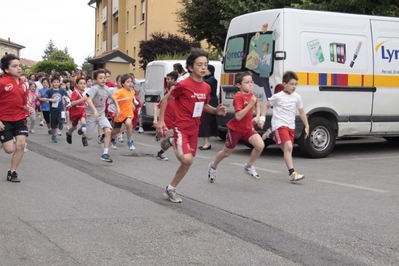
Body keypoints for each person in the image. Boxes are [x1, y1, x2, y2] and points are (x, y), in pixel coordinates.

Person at [156, 48, 227, 203]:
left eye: (205, 64)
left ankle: (171, 189)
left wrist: (216, 110)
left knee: (188, 162)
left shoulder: (207, 87)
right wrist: (161, 121)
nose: (203, 67)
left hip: (194, 129)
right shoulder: (183, 84)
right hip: (180, 127)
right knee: (187, 160)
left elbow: (204, 105)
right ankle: (173, 139)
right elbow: (167, 99)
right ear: (190, 67)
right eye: (199, 64)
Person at [207, 71, 264, 182]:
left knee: (260, 145)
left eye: (251, 82)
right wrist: (250, 105)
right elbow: (238, 116)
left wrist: (257, 116)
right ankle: (213, 166)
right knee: (226, 153)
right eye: (247, 82)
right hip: (236, 129)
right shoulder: (238, 97)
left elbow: (257, 104)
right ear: (239, 85)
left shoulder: (251, 95)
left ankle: (248, 166)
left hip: (247, 128)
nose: (250, 84)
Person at [258, 70, 309, 181]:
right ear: (284, 84)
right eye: (291, 84)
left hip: (291, 126)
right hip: (279, 124)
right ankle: (292, 173)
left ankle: (272, 135)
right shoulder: (278, 96)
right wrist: (262, 119)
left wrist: (307, 125)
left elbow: (301, 112)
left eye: (295, 84)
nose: (294, 86)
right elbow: (266, 106)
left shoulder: (297, 97)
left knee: (286, 150)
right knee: (289, 147)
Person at [0, 54, 34, 182]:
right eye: (15, 66)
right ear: (7, 70)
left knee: (21, 145)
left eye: (19, 66)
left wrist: (28, 108)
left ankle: (12, 171)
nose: (19, 68)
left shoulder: (23, 84)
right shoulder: (2, 82)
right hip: (4, 120)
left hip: (20, 118)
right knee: (9, 150)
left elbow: (24, 103)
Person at [86, 68, 120, 163]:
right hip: (91, 115)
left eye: (104, 78)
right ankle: (83, 129)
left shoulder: (107, 89)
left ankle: (105, 153)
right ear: (96, 80)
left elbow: (114, 99)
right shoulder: (94, 89)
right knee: (89, 137)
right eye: (100, 78)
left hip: (101, 115)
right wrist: (94, 111)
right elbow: (88, 100)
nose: (103, 80)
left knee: (108, 130)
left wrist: (118, 108)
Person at [153, 71, 178, 161]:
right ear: (168, 90)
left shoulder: (178, 99)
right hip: (165, 123)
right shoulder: (166, 99)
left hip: (174, 123)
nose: (173, 92)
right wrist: (155, 119)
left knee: (171, 139)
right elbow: (156, 107)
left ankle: (160, 153)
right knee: (171, 137)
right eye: (172, 90)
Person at [109, 74, 136, 151]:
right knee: (116, 131)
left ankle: (129, 141)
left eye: (131, 81)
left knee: (128, 123)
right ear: (123, 84)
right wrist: (123, 99)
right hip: (120, 114)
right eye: (128, 82)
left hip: (129, 113)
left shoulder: (132, 91)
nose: (130, 83)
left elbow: (130, 100)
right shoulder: (120, 92)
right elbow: (111, 101)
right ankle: (110, 138)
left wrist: (132, 104)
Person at [198, 64, 218, 150]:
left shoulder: (212, 80)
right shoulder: (206, 79)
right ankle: (206, 142)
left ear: (209, 70)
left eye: (205, 69)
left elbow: (202, 84)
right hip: (205, 103)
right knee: (204, 122)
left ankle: (207, 143)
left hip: (210, 103)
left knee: (206, 122)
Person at [44, 76, 68, 143]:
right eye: (54, 82)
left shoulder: (62, 90)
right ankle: (54, 135)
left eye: (57, 82)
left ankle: (60, 123)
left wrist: (70, 99)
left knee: (62, 119)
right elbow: (44, 98)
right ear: (51, 83)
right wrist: (49, 100)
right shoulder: (49, 91)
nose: (56, 83)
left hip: (61, 108)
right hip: (53, 110)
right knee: (53, 125)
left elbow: (67, 95)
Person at [66, 77, 88, 147]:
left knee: (84, 124)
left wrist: (86, 102)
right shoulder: (75, 92)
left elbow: (86, 100)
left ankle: (84, 138)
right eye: (81, 83)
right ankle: (69, 133)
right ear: (77, 85)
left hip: (82, 111)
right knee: (74, 127)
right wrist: (82, 99)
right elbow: (72, 103)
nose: (82, 85)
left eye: (84, 83)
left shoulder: (85, 92)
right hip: (75, 112)